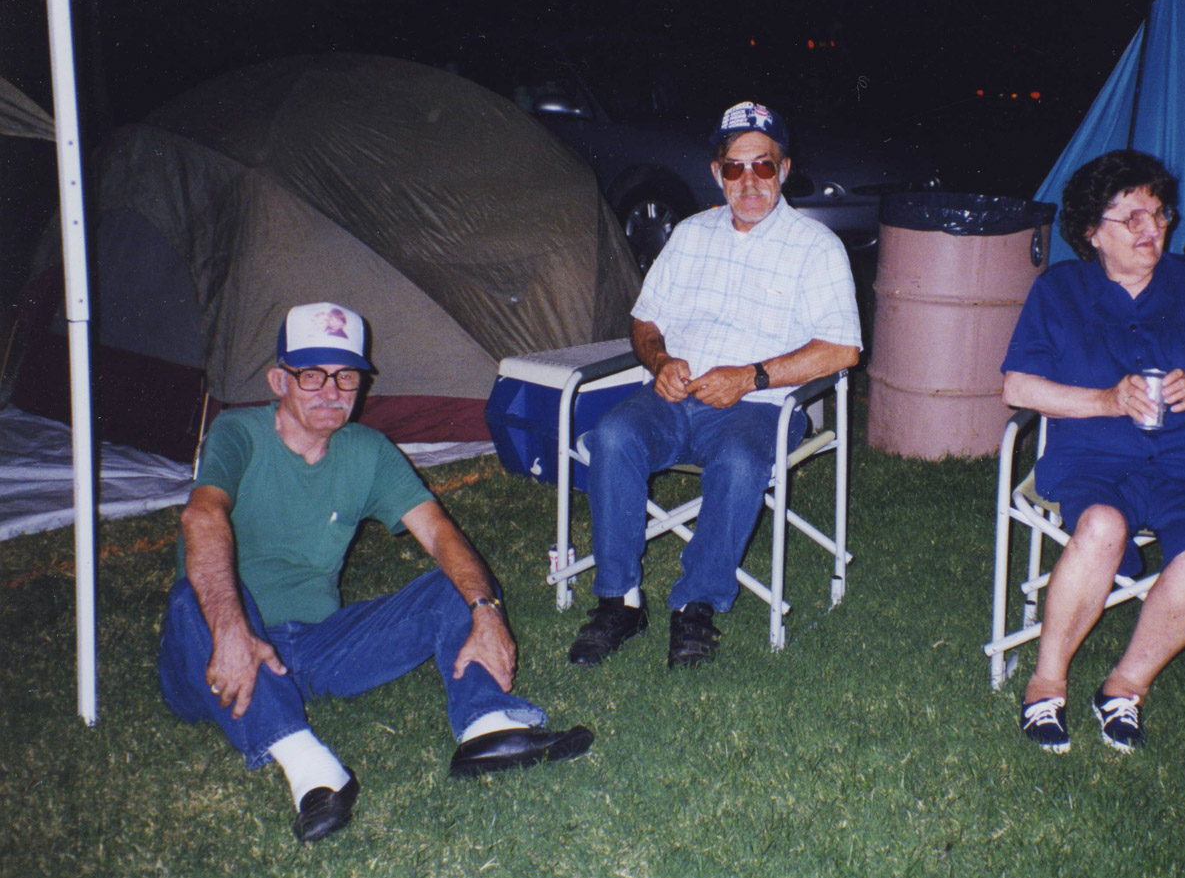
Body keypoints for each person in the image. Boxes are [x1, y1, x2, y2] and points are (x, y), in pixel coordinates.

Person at [158, 302, 593, 844]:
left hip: (315, 647)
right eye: (312, 374)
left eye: (346, 376)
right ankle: (313, 772)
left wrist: (486, 612)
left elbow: (440, 533)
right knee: (192, 597)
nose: (331, 391)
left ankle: (487, 727)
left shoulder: (367, 450)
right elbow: (201, 517)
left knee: (457, 584)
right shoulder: (238, 433)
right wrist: (231, 631)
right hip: (214, 656)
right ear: (278, 380)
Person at [567, 101, 862, 669]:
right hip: (673, 396)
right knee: (613, 436)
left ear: (784, 169)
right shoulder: (690, 235)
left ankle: (696, 605)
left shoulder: (816, 247)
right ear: (716, 172)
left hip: (759, 405)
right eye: (734, 167)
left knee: (740, 462)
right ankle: (619, 602)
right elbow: (644, 320)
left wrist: (749, 377)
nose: (749, 181)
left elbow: (842, 349)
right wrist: (660, 360)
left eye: (764, 166)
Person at [1000, 149, 1185, 754]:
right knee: (1100, 527)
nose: (1153, 229)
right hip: (1098, 458)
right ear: (1092, 232)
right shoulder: (1059, 291)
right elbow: (1018, 388)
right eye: (1132, 218)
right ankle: (1046, 683)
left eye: (1159, 213)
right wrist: (1106, 400)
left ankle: (1126, 686)